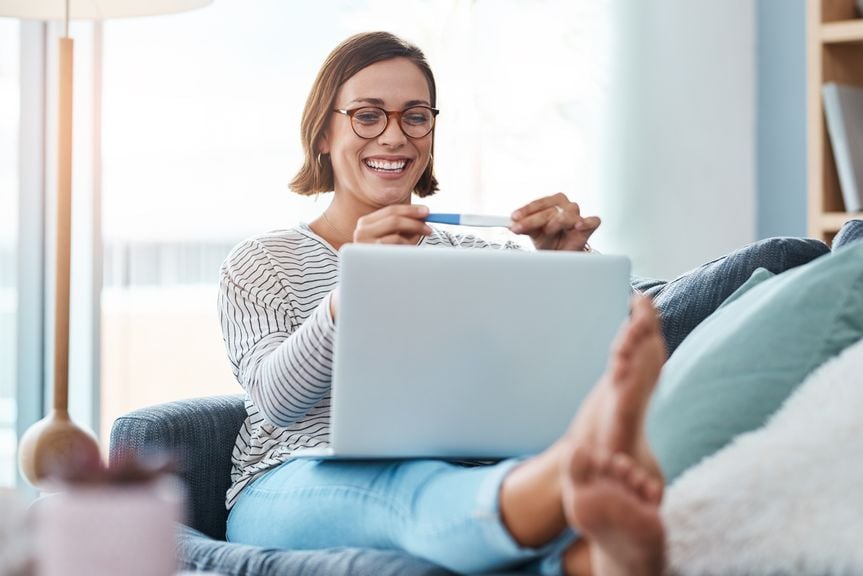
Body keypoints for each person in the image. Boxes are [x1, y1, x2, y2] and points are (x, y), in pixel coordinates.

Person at [218, 31, 843, 575]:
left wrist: (566, 267)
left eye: (415, 116)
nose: (395, 134)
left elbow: (590, 355)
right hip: (293, 478)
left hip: (467, 465)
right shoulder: (263, 260)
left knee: (461, 481)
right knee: (413, 490)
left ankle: (601, 554)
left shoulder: (470, 253)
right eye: (367, 115)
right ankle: (579, 468)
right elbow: (275, 399)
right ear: (323, 132)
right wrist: (355, 286)